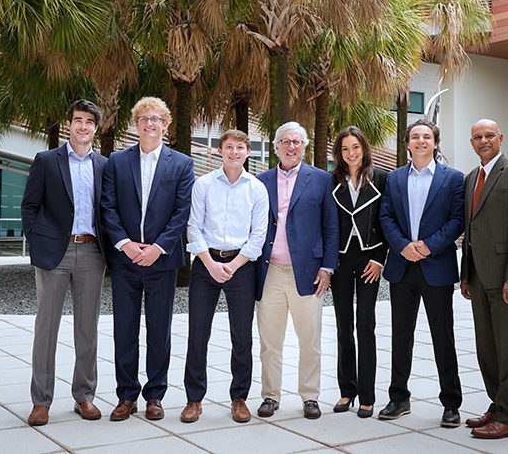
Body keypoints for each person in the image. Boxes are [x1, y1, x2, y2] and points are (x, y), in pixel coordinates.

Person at [100, 97, 195, 422]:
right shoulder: (116, 161)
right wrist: (125, 244)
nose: (150, 123)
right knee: (124, 330)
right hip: (125, 262)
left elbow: (182, 212)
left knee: (160, 331)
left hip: (162, 262)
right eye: (143, 118)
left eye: (156, 119)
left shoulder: (181, 163)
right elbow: (107, 208)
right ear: (135, 124)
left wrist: (158, 247)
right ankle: (126, 396)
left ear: (165, 124)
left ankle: (155, 394)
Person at [21, 99, 108, 426]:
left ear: (95, 128)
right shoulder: (46, 161)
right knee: (47, 328)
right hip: (53, 254)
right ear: (68, 124)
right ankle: (41, 401)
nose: (83, 126)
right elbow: (29, 206)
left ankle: (84, 396)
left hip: (91, 254)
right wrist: (38, 240)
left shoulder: (104, 165)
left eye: (89, 121)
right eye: (78, 120)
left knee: (88, 328)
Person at [377, 120, 465, 427]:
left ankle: (451, 403)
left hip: (436, 266)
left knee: (443, 337)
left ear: (436, 143)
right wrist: (402, 246)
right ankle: (398, 398)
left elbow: (457, 220)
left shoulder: (453, 178)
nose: (421, 141)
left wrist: (428, 246)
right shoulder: (394, 178)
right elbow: (385, 215)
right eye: (415, 137)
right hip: (402, 267)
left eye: (427, 136)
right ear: (407, 144)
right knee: (401, 336)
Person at [180, 130, 269, 423]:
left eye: (240, 147)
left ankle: (239, 398)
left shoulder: (257, 189)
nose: (234, 152)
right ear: (219, 151)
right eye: (229, 147)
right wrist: (210, 263)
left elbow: (258, 236)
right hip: (206, 264)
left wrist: (234, 265)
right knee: (198, 333)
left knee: (242, 337)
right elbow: (193, 228)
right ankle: (194, 399)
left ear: (248, 152)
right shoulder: (203, 184)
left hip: (242, 267)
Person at [460, 119, 508, 439]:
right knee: (487, 349)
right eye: (477, 137)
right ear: (472, 142)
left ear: (500, 138)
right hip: (478, 277)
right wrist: (466, 276)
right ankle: (497, 404)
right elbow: (470, 230)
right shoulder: (469, 178)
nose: (483, 140)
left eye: (489, 135)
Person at [255, 121, 339, 420]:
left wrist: (328, 267)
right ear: (276, 146)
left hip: (309, 272)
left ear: (305, 146)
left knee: (310, 340)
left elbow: (331, 226)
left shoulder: (321, 180)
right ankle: (270, 395)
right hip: (270, 272)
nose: (292, 147)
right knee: (270, 341)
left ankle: (310, 397)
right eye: (285, 142)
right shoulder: (260, 181)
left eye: (297, 142)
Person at [329, 127, 388, 419]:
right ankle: (346, 390)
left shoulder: (382, 179)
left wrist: (379, 259)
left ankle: (367, 395)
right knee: (343, 327)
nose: (351, 153)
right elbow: (327, 224)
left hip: (369, 259)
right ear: (339, 154)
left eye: (355, 147)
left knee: (365, 325)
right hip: (341, 260)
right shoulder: (333, 181)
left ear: (364, 148)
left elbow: (389, 220)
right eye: (344, 149)